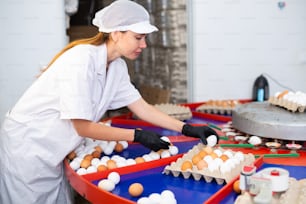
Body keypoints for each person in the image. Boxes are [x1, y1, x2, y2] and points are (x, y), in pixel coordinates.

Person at [0, 0, 219, 203]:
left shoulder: (117, 67)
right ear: (115, 33)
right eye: (138, 37)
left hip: (55, 147)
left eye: (145, 38)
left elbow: (142, 107)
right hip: (30, 146)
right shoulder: (80, 60)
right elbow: (82, 126)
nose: (144, 45)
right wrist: (136, 135)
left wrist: (188, 128)